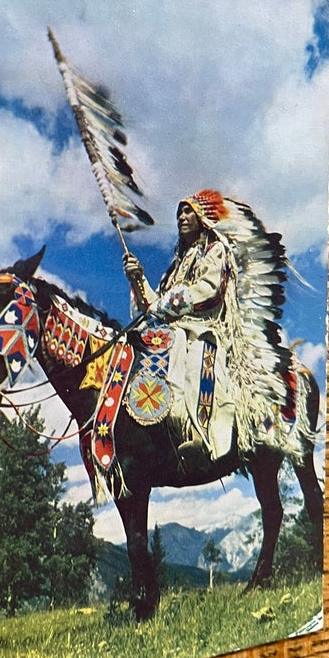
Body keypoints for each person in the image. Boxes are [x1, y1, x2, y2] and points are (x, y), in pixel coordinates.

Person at [123, 190, 240, 470]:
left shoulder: (215, 251)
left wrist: (164, 306)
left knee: (199, 357)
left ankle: (202, 436)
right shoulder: (174, 268)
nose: (181, 217)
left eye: (188, 212)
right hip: (173, 331)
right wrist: (137, 276)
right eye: (178, 213)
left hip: (204, 329)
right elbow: (152, 304)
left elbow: (209, 291)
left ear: (202, 218)